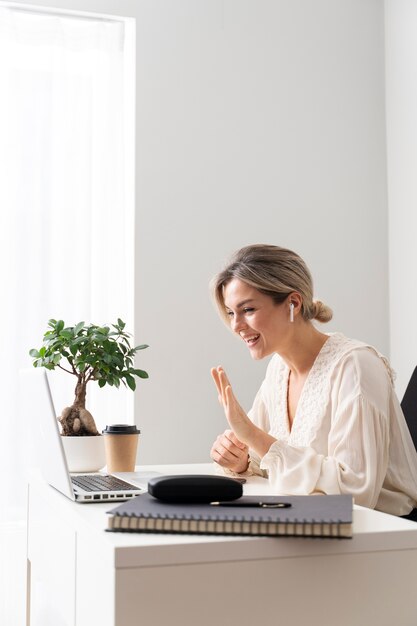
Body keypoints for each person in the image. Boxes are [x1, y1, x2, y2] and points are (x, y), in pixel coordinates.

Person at [209, 244, 417, 518]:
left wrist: (253, 436)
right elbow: (266, 459)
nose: (236, 325)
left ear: (293, 303)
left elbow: (356, 492)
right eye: (231, 313)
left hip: (383, 534)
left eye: (247, 309)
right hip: (312, 524)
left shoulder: (355, 366)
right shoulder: (278, 370)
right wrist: (239, 458)